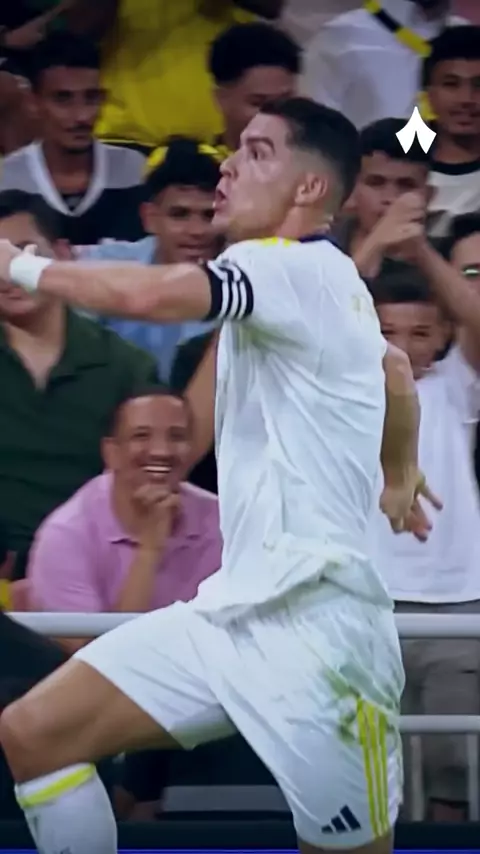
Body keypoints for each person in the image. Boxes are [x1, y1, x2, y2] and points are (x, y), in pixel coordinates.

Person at [0, 97, 434, 854]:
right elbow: (394, 368)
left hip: (323, 641)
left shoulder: (283, 264)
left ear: (308, 189)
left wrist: (22, 265)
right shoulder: (328, 284)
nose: (228, 165)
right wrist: (399, 473)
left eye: (258, 152)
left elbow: (150, 295)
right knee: (36, 732)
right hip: (230, 615)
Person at [0, 189, 158, 578]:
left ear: (63, 255)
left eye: (25, 252)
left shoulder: (126, 366)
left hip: (102, 575)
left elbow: (152, 483)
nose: (9, 272)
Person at [27, 385, 222, 653]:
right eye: (141, 436)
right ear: (111, 452)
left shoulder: (223, 523)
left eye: (176, 436)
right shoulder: (65, 536)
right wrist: (150, 549)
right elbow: (96, 660)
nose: (161, 451)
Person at [79, 137, 221, 379]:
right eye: (179, 214)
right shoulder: (105, 267)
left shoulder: (245, 277)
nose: (196, 231)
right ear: (149, 218)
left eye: (209, 215)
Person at [0, 31, 146, 245]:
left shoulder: (134, 170)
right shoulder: (7, 178)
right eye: (63, 99)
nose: (81, 116)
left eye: (91, 98)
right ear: (33, 102)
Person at [423, 25, 480, 237]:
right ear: (429, 94)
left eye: (479, 86)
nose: (466, 99)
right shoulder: (391, 155)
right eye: (451, 84)